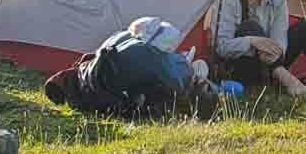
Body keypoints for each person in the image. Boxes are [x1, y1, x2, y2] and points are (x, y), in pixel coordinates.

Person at [44, 17, 218, 119]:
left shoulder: (125, 38)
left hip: (87, 83)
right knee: (162, 92)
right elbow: (175, 84)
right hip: (101, 93)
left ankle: (195, 74)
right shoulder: (148, 54)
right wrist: (188, 76)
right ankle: (200, 79)